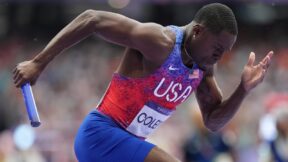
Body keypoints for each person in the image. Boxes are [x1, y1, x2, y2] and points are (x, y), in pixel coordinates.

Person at [13, 3, 273, 162]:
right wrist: (39, 62)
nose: (220, 57)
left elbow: (213, 122)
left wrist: (243, 89)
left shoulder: (203, 68)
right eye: (218, 48)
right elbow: (93, 18)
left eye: (226, 51)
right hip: (101, 135)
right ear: (198, 31)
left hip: (125, 149)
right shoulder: (159, 41)